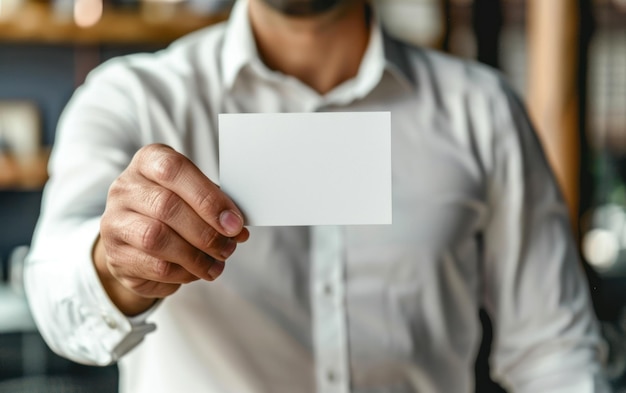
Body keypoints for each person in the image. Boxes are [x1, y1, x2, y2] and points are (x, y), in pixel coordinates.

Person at [24, 0, 610, 392]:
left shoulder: (483, 111)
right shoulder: (132, 100)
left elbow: (554, 352)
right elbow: (56, 302)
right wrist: (114, 265)